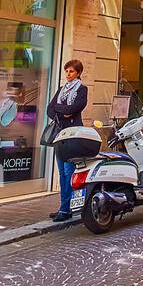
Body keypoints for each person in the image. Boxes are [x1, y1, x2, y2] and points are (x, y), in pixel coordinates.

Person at [47, 59, 88, 222]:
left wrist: (63, 110)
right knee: (62, 173)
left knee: (69, 172)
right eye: (66, 71)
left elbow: (75, 108)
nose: (68, 74)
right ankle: (64, 208)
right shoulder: (61, 90)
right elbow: (50, 110)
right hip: (59, 136)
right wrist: (63, 112)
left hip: (72, 135)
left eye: (71, 71)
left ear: (78, 73)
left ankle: (66, 209)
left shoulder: (82, 90)